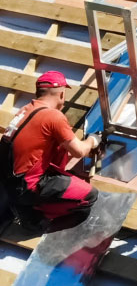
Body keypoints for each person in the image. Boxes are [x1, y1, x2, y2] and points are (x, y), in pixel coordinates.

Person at [6, 71, 100, 230]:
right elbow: (79, 151)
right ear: (62, 94)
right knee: (89, 197)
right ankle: (36, 219)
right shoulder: (53, 116)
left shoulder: (25, 110)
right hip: (27, 187)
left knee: (58, 146)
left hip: (11, 183)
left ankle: (27, 205)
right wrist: (92, 140)